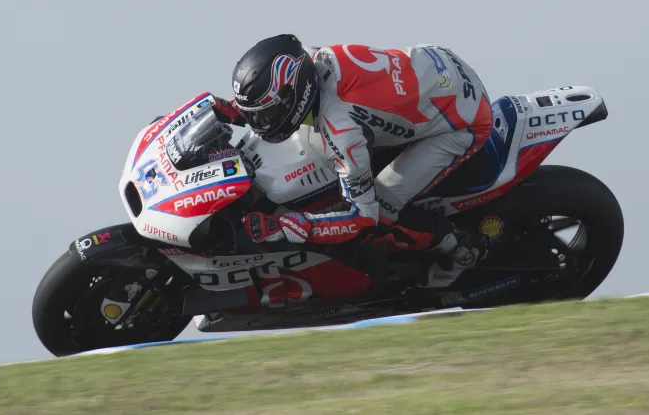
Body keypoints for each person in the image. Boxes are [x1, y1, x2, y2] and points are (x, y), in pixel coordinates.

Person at [211, 34, 493, 288]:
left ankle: (457, 247)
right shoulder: (312, 58)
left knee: (381, 210)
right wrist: (238, 110)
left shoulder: (343, 130)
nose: (260, 123)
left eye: (265, 115)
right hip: (437, 64)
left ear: (295, 96)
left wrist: (289, 225)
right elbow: (282, 90)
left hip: (463, 120)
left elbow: (363, 218)